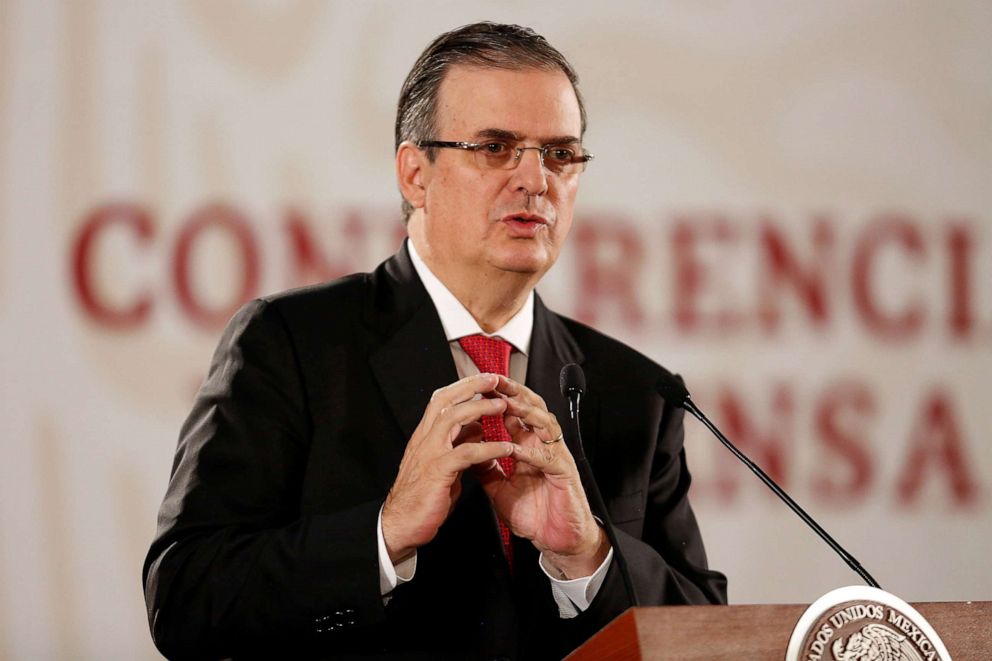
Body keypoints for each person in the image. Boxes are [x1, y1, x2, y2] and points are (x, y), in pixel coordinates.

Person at [143, 22, 726, 660]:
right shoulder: (293, 345)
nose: (535, 180)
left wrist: (587, 556)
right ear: (415, 174)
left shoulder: (635, 392)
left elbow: (703, 635)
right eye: (497, 148)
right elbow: (186, 597)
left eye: (560, 154)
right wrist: (384, 536)